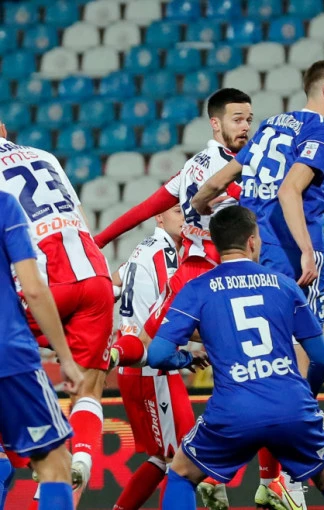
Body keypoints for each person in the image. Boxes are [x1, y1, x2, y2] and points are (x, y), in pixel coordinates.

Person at [191, 59, 324, 507]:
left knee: (262, 365)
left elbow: (223, 177)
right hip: (290, 260)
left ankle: (232, 469)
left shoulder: (270, 126)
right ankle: (291, 475)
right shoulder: (323, 132)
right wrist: (306, 250)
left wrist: (200, 204)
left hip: (254, 254)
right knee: (301, 363)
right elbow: (289, 190)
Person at [145, 205, 324, 510]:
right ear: (252, 241)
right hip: (290, 404)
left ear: (217, 243)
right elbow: (322, 359)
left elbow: (157, 354)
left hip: (233, 410)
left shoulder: (197, 289)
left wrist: (186, 360)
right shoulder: (284, 284)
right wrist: (305, 397)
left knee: (181, 474)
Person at [104, 88, 252, 510]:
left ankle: (108, 356)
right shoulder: (226, 169)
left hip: (191, 278)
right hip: (210, 279)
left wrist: (97, 242)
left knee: (168, 456)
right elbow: (252, 205)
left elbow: (142, 210)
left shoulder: (193, 166)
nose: (245, 126)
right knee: (184, 457)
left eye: (249, 119)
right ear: (215, 123)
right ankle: (268, 478)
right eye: (237, 119)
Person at [0, 122, 112, 498]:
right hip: (94, 274)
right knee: (88, 388)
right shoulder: (44, 156)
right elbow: (80, 219)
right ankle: (81, 457)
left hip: (42, 280)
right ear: (3, 130)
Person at [110, 205, 222, 510]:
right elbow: (173, 315)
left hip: (135, 361)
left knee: (163, 457)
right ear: (159, 217)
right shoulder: (166, 254)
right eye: (176, 211)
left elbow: (113, 283)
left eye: (186, 213)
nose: (184, 218)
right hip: (150, 368)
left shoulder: (142, 248)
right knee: (182, 459)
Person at [0, 189, 85, 510]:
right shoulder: (5, 205)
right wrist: (66, 358)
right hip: (10, 357)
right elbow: (34, 289)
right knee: (54, 464)